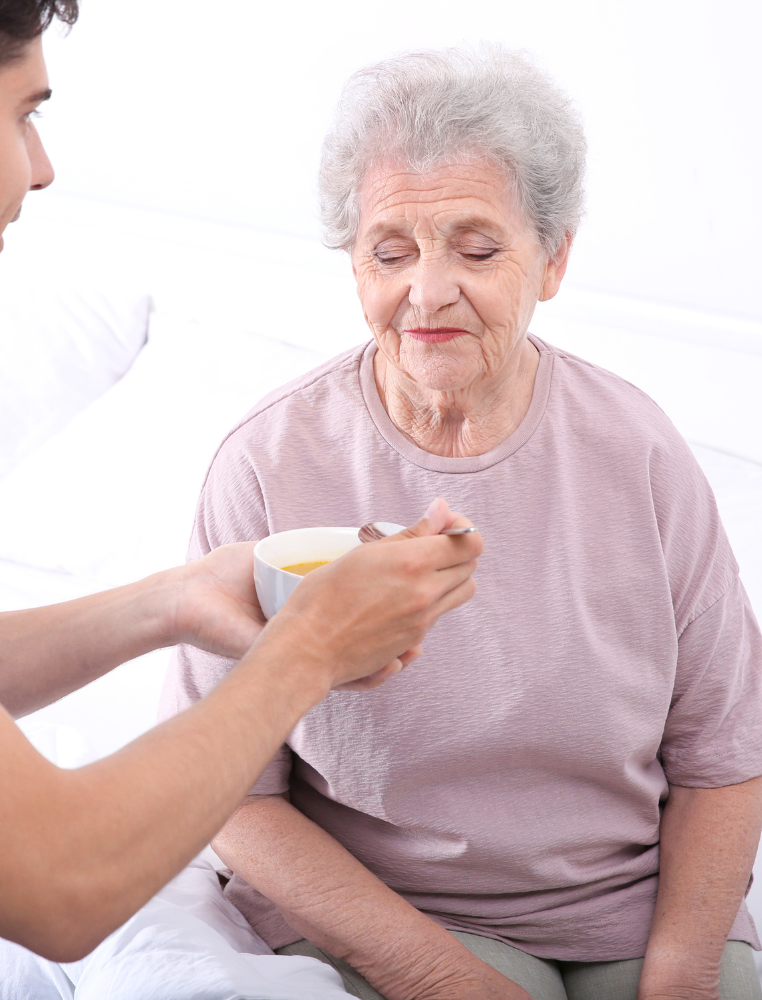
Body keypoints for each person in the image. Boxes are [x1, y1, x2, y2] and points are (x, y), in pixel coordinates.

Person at [0, 6, 484, 999]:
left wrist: (171, 602)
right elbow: (58, 882)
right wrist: (306, 648)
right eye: (25, 116)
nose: (42, 168)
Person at [161, 47, 762, 1000]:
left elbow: (727, 752)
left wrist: (682, 974)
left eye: (477, 250)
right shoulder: (269, 463)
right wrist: (439, 977)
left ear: (553, 258)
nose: (428, 291)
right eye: (389, 252)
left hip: (632, 912)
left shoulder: (641, 452)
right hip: (394, 909)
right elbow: (229, 797)